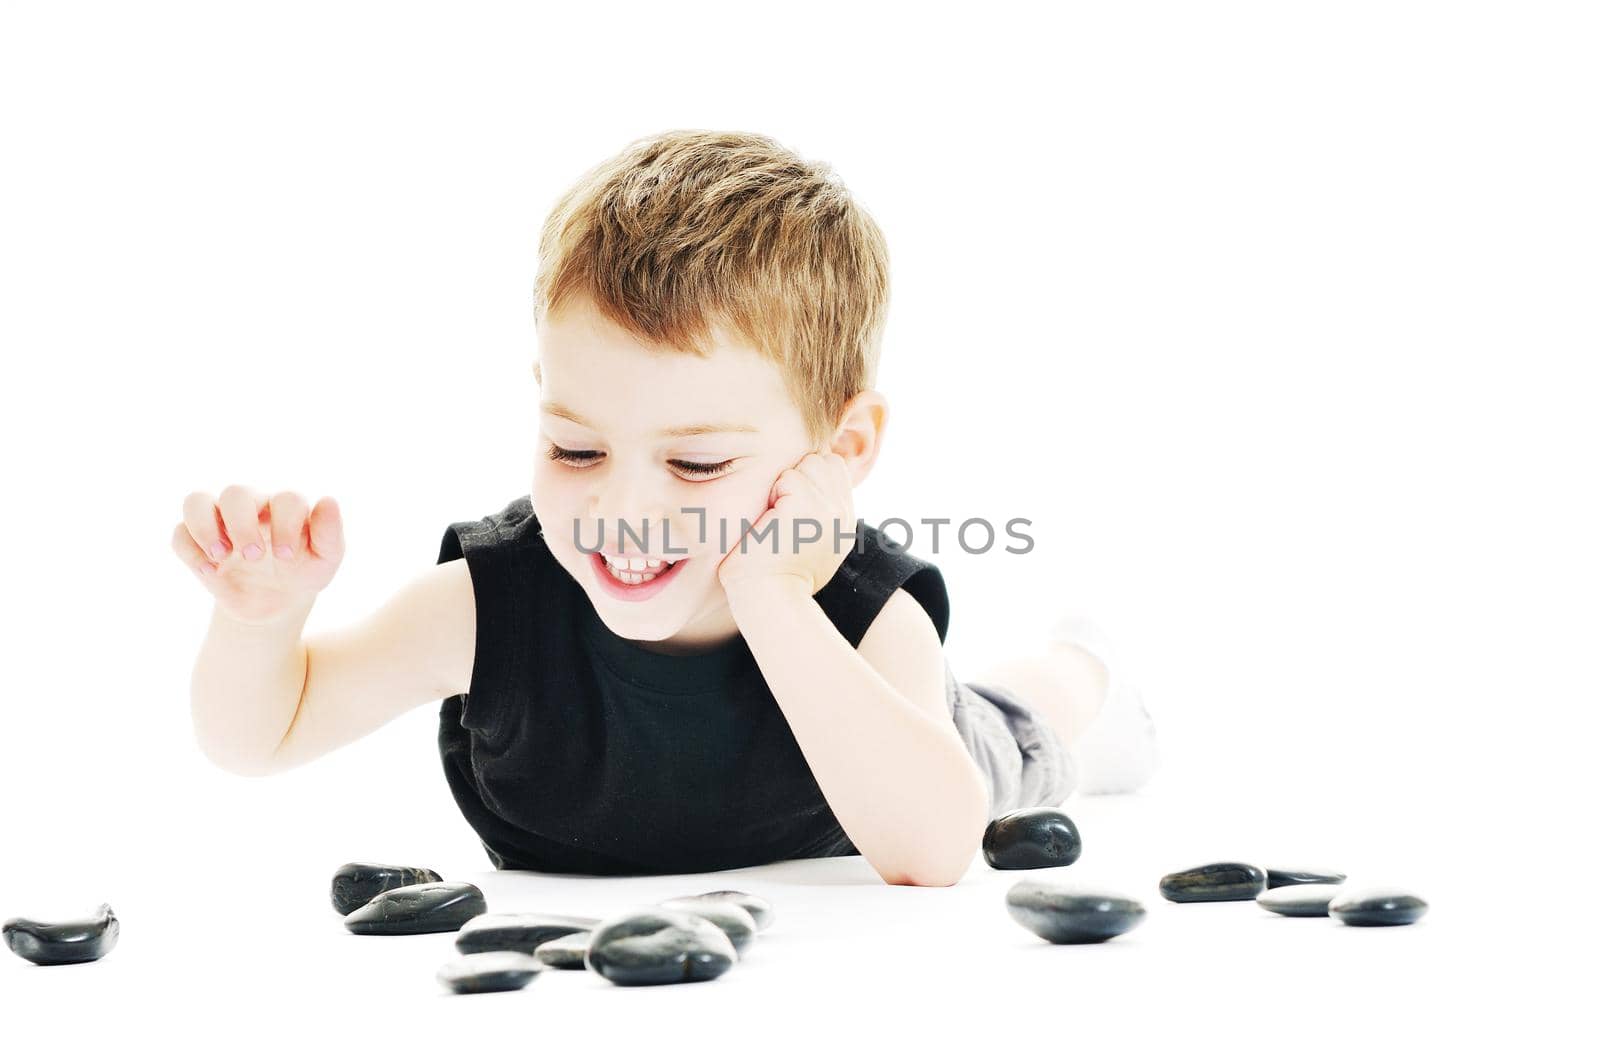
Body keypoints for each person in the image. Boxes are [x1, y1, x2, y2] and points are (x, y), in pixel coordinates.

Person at [174, 129, 1158, 887]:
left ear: (841, 451)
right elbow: (261, 735)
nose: (619, 506)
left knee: (1017, 725)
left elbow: (932, 850)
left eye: (693, 463)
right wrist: (259, 626)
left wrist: (773, 600)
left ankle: (1085, 673)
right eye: (576, 445)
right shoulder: (491, 605)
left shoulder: (859, 612)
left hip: (925, 746)